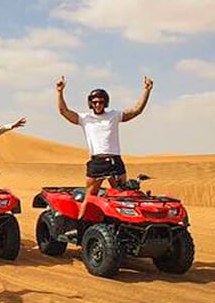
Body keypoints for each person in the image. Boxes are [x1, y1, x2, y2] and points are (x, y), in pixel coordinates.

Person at [56, 75, 153, 221]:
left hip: (115, 161)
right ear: (90, 103)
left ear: (105, 102)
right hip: (97, 163)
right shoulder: (84, 118)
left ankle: (122, 229)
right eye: (95, 102)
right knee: (90, 197)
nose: (98, 104)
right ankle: (81, 228)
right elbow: (64, 112)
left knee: (122, 197)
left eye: (101, 101)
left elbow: (136, 110)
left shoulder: (114, 115)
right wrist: (60, 91)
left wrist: (146, 91)